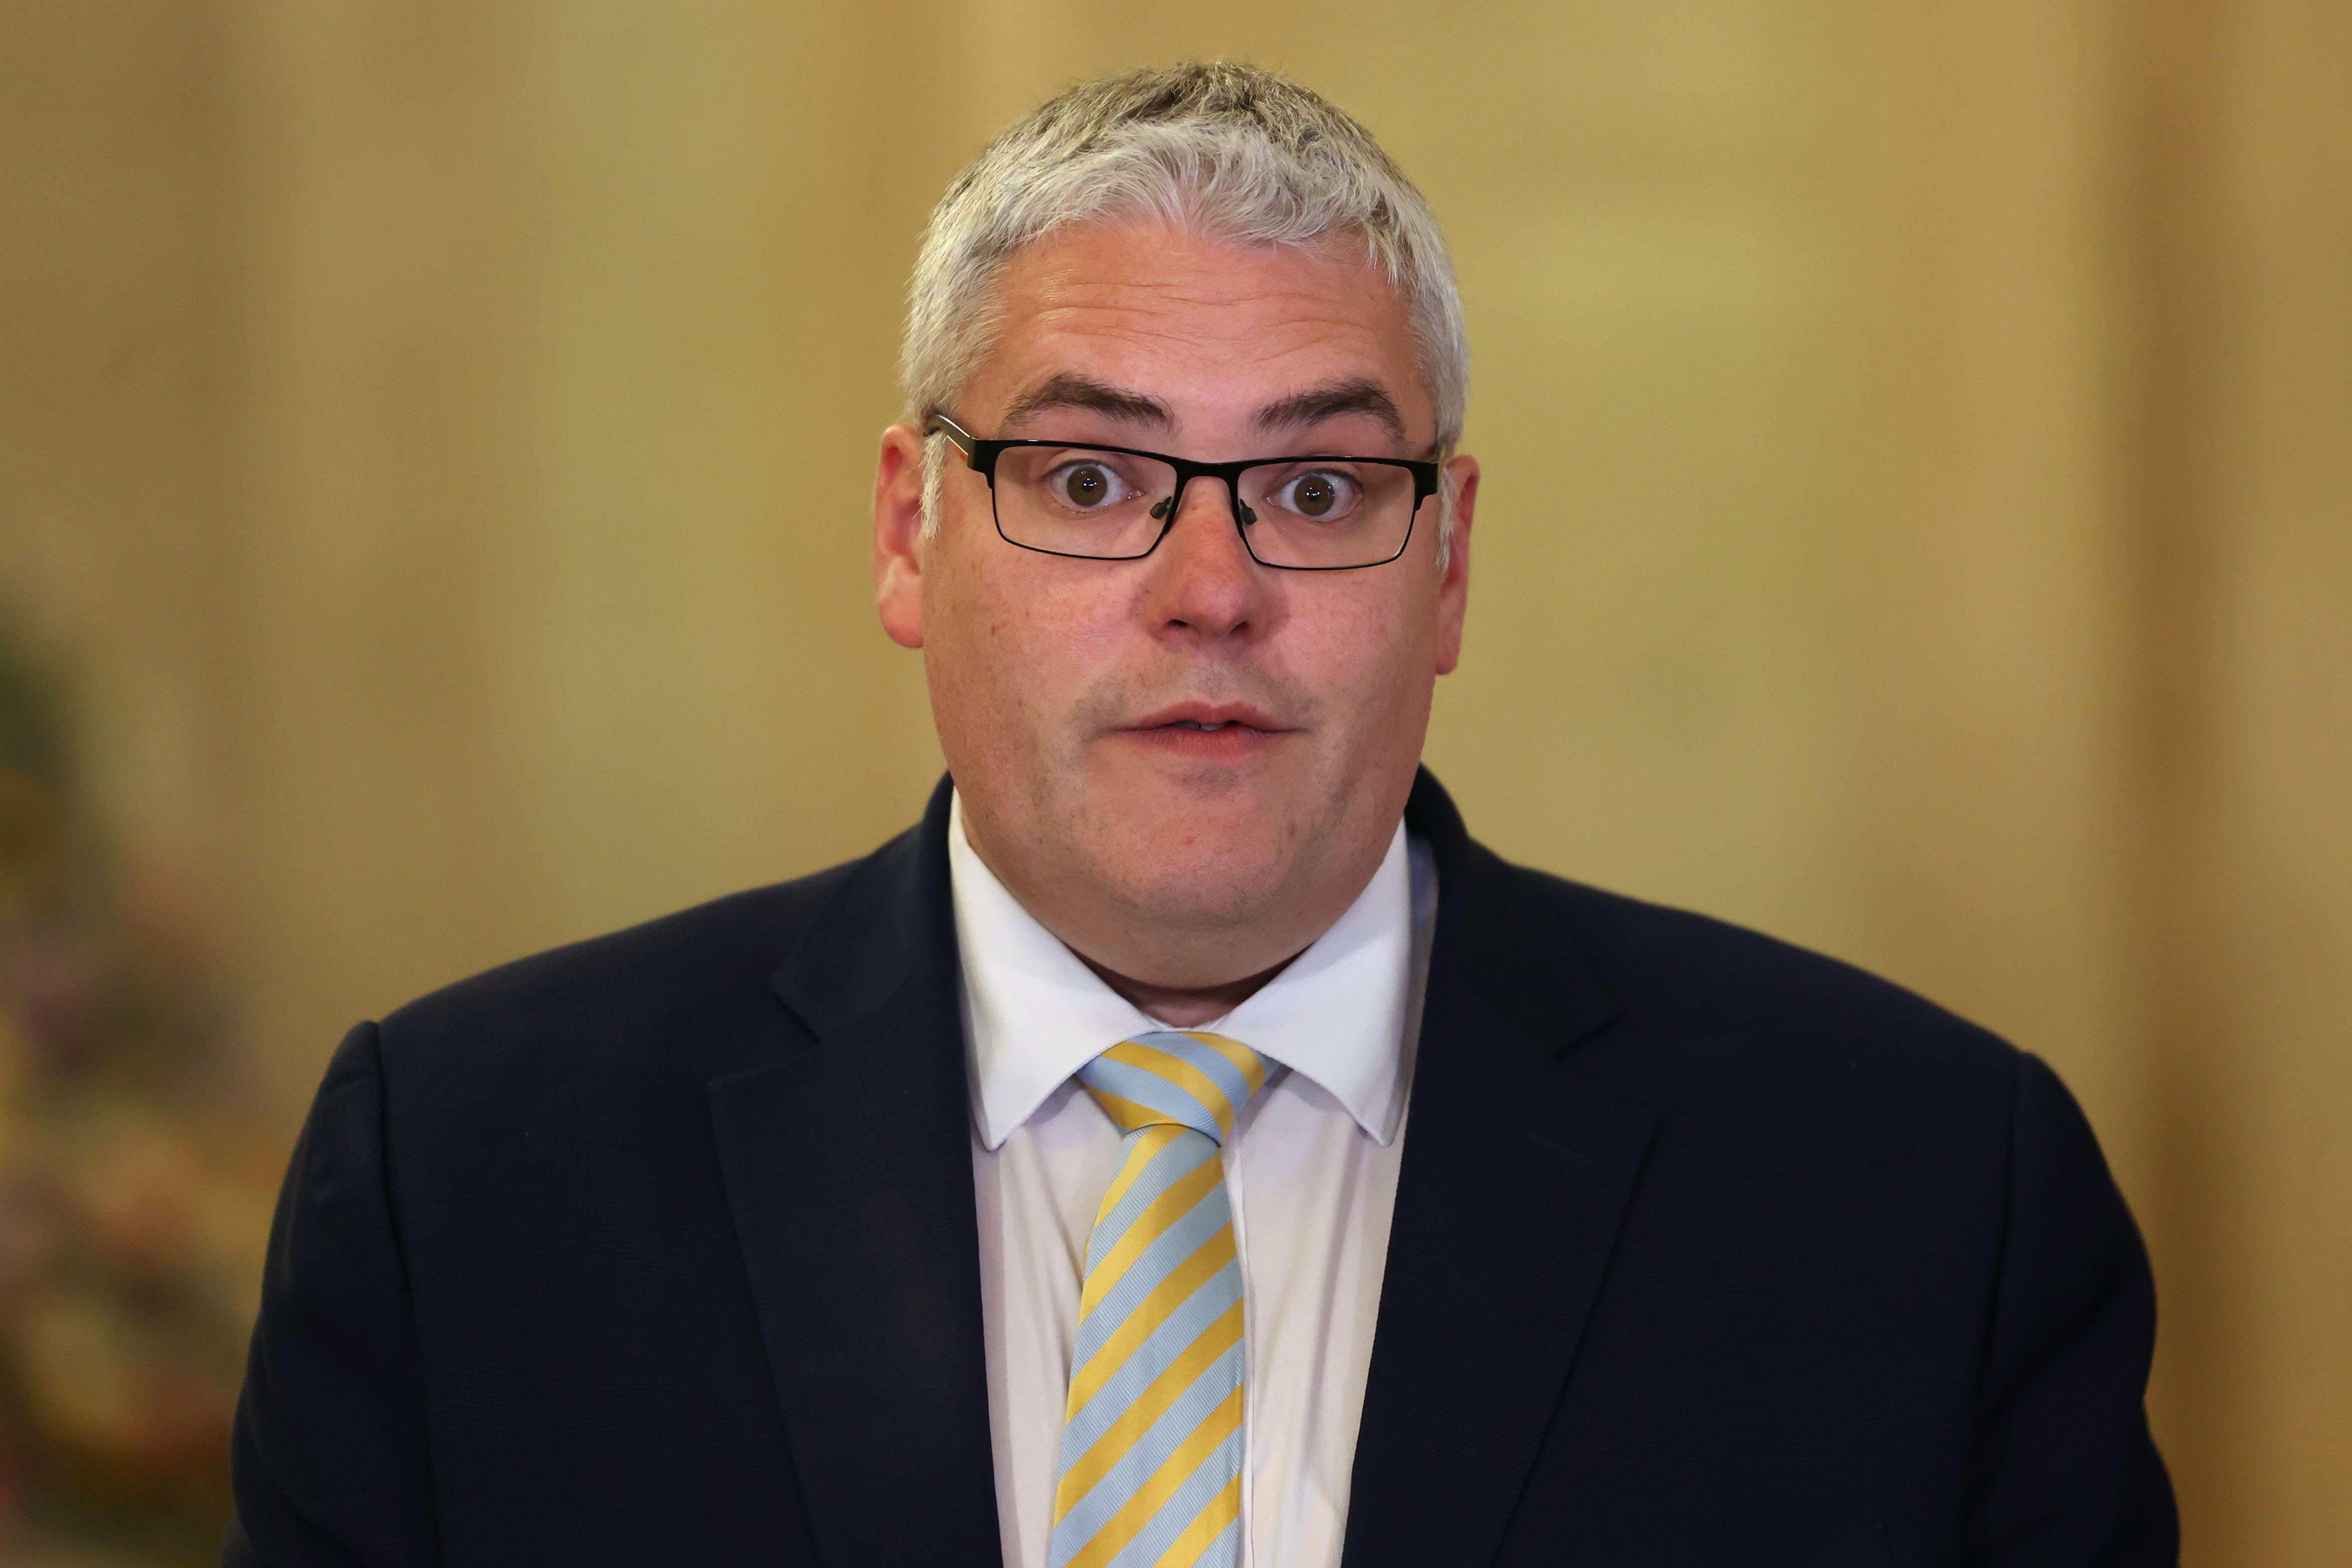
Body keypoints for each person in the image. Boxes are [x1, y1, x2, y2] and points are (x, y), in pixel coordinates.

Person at [223, 61, 2176, 1568]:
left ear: (1452, 564)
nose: (1209, 585)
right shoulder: (468, 1183)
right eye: (1089, 478)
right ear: (911, 529)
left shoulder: (1924, 1196)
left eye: (1316, 490)